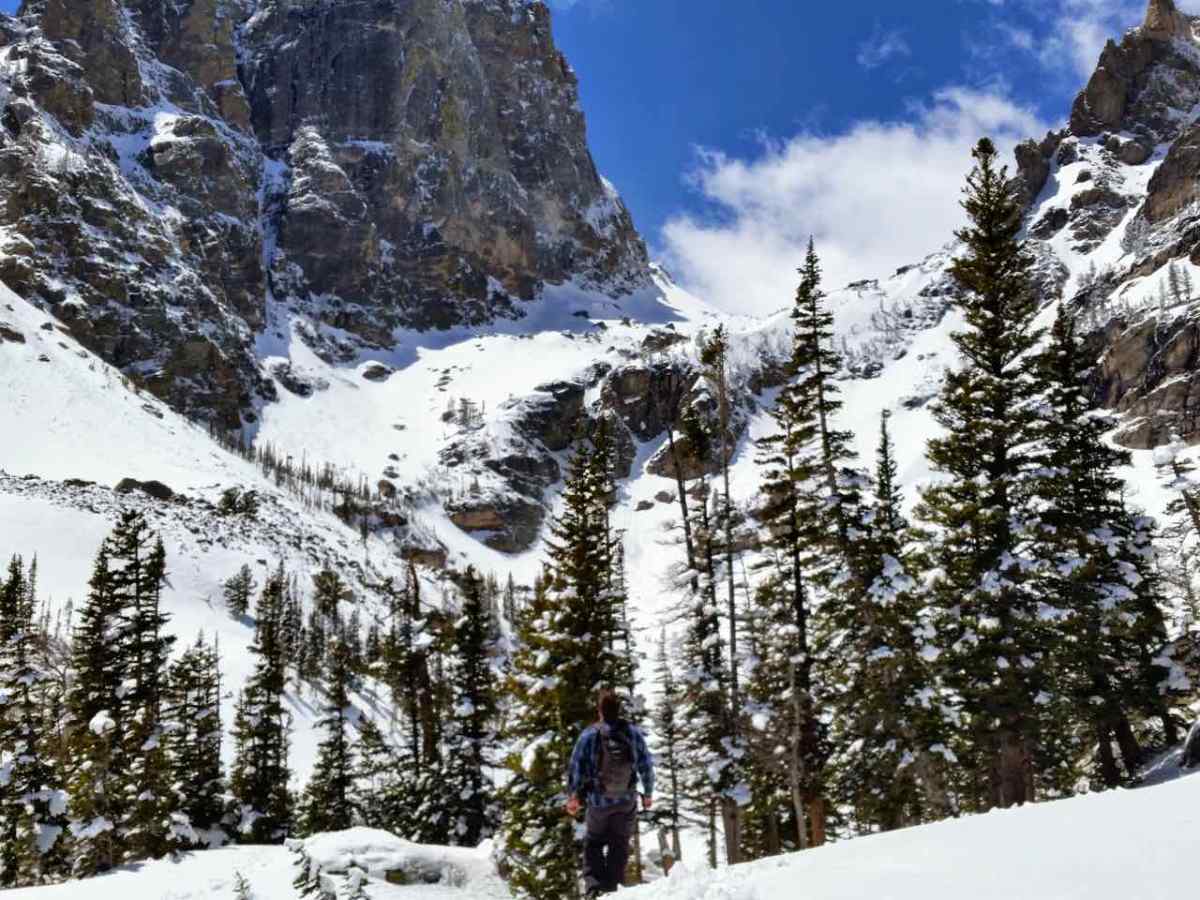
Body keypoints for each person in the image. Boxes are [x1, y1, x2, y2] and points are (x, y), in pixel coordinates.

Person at [566, 690, 655, 897]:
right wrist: (648, 793)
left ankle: (595, 890)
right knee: (619, 843)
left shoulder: (589, 735)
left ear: (600, 711)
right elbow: (645, 765)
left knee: (594, 843)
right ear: (618, 710)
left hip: (599, 802)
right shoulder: (632, 733)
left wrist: (574, 797)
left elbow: (576, 767)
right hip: (626, 800)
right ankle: (613, 891)